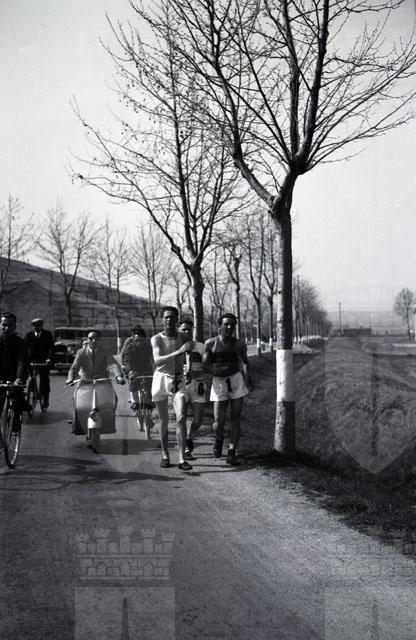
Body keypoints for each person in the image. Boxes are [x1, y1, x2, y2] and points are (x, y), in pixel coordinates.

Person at [203, 312, 254, 465]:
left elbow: (245, 362)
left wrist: (248, 378)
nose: (229, 327)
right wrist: (215, 371)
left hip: (236, 380)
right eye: (226, 324)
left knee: (235, 418)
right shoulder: (210, 343)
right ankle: (219, 439)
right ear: (220, 325)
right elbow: (205, 365)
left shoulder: (239, 344)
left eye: (232, 324)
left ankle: (232, 451)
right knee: (219, 421)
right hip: (219, 382)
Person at [151, 307, 195, 471]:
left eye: (172, 317)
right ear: (162, 320)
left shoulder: (184, 336)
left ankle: (182, 459)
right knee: (164, 419)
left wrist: (189, 368)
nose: (169, 320)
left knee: (181, 417)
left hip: (177, 379)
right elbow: (158, 360)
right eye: (166, 317)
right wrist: (179, 352)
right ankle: (165, 455)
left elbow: (189, 352)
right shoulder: (156, 339)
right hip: (161, 379)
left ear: (177, 319)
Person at [178, 317, 210, 461]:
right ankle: (185, 449)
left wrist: (197, 373)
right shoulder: (175, 347)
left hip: (197, 385)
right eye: (183, 329)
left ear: (193, 330)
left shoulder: (201, 347)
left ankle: (189, 437)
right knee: (181, 418)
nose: (186, 332)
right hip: (181, 385)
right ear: (179, 330)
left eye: (188, 329)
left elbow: (207, 366)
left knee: (198, 419)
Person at [0, 312, 29, 431]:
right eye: (4, 325)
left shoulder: (20, 343)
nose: (7, 328)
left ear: (15, 326)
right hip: (0, 377)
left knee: (17, 398)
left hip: (15, 376)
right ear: (0, 325)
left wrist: (19, 378)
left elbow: (21, 362)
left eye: (10, 325)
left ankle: (16, 422)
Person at [122, 326, 154, 433]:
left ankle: (149, 412)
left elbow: (153, 360)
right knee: (133, 386)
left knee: (150, 390)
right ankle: (135, 405)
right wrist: (130, 371)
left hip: (146, 370)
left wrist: (156, 370)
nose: (139, 342)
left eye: (141, 340)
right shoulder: (129, 347)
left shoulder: (149, 347)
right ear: (133, 339)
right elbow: (127, 361)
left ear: (145, 340)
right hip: (134, 370)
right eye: (136, 340)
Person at [24, 317, 54, 409]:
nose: (36, 327)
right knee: (30, 377)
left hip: (44, 361)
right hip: (32, 360)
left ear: (41, 326)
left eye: (38, 325)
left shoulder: (47, 334)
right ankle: (33, 390)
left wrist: (49, 358)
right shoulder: (28, 335)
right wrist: (28, 360)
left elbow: (51, 348)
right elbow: (25, 349)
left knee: (44, 379)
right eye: (34, 326)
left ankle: (45, 396)